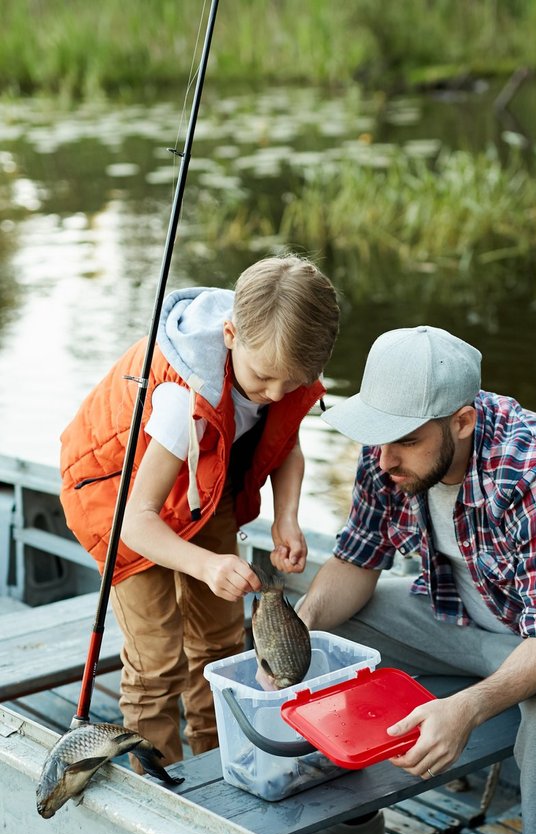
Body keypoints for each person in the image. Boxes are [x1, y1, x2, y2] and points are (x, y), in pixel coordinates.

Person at [287, 325, 536, 834]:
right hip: (469, 617)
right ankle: (351, 825)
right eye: (379, 439)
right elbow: (356, 560)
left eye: (406, 441)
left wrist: (465, 709)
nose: (384, 462)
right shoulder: (388, 453)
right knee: (329, 640)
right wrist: (295, 637)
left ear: (462, 421)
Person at [59, 255, 340, 767]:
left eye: (292, 383)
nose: (276, 393)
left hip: (205, 490)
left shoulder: (278, 367)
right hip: (122, 505)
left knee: (220, 644)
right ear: (230, 334)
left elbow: (286, 445)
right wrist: (206, 565)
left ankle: (218, 760)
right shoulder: (181, 396)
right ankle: (156, 775)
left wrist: (286, 517)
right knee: (157, 659)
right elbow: (135, 521)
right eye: (265, 378)